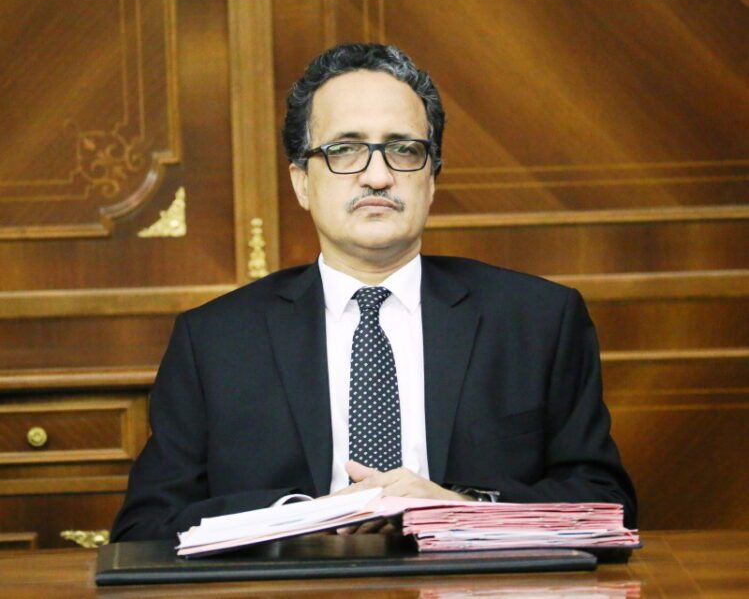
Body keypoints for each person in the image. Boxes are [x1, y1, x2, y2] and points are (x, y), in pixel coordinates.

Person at [111, 43, 636, 541]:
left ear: (432, 179)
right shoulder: (215, 340)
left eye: (404, 150)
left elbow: (606, 503)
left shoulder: (538, 320)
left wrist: (461, 507)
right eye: (345, 150)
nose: (378, 176)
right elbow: (146, 528)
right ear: (301, 182)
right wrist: (299, 518)